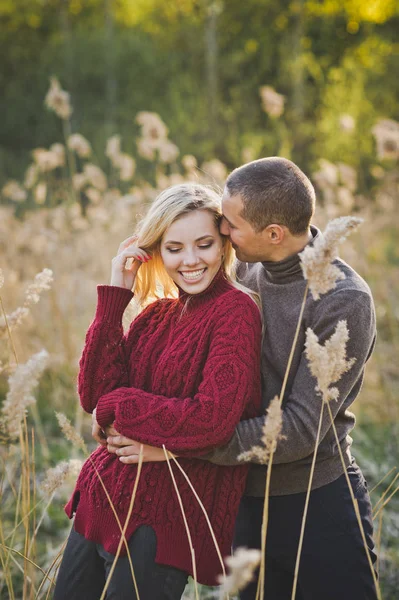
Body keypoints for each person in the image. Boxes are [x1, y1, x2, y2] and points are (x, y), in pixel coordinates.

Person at [107, 158, 378, 600]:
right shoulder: (242, 272)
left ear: (273, 234)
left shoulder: (343, 302)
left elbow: (301, 429)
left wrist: (174, 446)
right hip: (239, 498)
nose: (222, 232)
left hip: (315, 501)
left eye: (229, 224)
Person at [53, 183, 262, 600]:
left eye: (204, 244)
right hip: (98, 500)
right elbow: (93, 394)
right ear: (156, 253)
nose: (190, 260)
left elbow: (211, 418)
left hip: (160, 522)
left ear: (223, 246)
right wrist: (117, 293)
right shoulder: (154, 315)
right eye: (174, 248)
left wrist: (119, 407)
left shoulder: (236, 312)